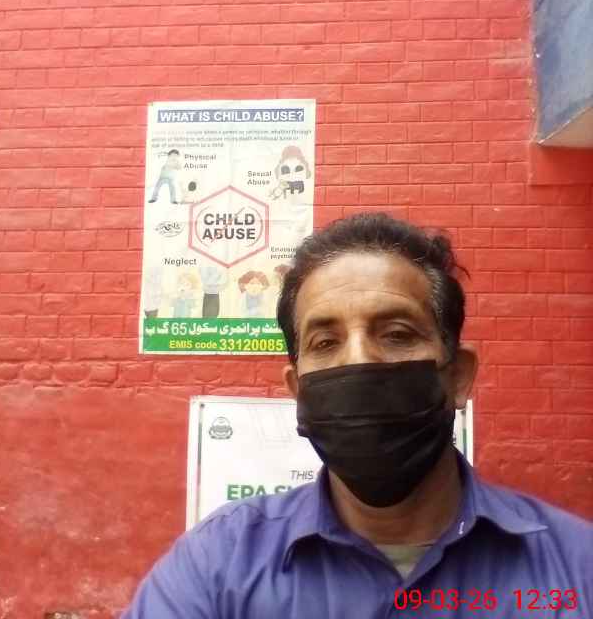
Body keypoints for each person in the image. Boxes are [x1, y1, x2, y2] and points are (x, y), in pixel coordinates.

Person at [122, 213, 593, 618]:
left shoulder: (577, 569)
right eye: (325, 342)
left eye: (397, 333)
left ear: (458, 376)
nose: (359, 360)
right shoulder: (217, 566)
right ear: (298, 391)